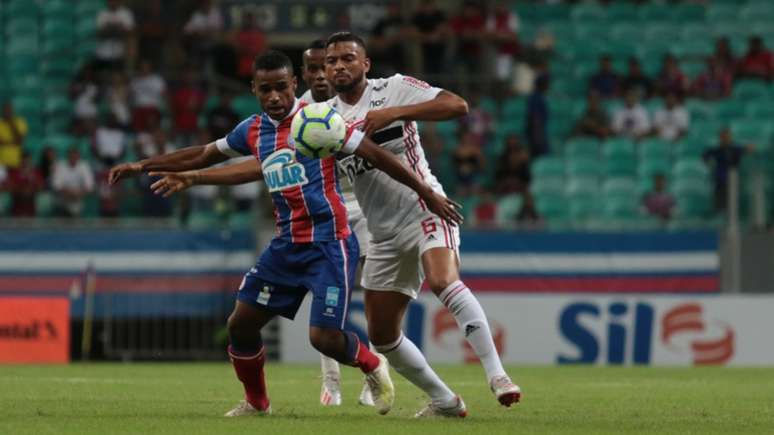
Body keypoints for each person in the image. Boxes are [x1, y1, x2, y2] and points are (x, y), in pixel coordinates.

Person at [108, 50, 462, 417]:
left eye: (281, 87)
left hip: (330, 243)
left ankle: (372, 364)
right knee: (240, 325)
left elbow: (376, 155)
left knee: (324, 339)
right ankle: (257, 402)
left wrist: (426, 191)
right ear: (254, 90)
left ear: (295, 85)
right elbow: (204, 153)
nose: (274, 96)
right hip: (287, 245)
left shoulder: (321, 121)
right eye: (265, 90)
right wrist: (144, 165)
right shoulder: (253, 130)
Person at [325, 32, 521, 415]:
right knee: (382, 336)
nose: (339, 66)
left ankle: (498, 376)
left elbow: (457, 105)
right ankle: (445, 400)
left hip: (426, 206)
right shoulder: (323, 119)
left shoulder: (395, 89)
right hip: (382, 233)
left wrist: (396, 113)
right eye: (331, 61)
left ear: (365, 64)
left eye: (348, 58)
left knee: (443, 280)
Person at [298, 39, 375, 408]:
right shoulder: (299, 112)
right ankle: (331, 382)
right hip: (328, 208)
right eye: (312, 68)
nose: (321, 74)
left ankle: (375, 373)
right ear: (306, 73)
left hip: (367, 203)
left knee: (378, 290)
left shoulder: (359, 101)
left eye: (323, 66)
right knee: (325, 296)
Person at [702, 128, 754, 211]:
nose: (726, 138)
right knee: (721, 202)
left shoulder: (735, 149)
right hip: (720, 179)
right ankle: (721, 214)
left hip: (734, 179)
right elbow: (705, 155)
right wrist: (709, 163)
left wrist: (749, 147)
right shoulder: (717, 150)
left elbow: (748, 149)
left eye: (727, 136)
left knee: (733, 201)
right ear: (720, 138)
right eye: (724, 137)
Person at [94, 0, 135, 73]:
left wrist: (113, 29)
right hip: (102, 52)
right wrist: (115, 29)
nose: (113, 2)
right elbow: (97, 33)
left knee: (117, 75)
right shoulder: (102, 13)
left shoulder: (126, 13)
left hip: (119, 53)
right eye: (110, 1)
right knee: (102, 76)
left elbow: (131, 32)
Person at [52, 147, 95, 217]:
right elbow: (56, 185)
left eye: (75, 156)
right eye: (71, 156)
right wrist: (69, 192)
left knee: (75, 209)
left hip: (79, 197)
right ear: (68, 156)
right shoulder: (60, 165)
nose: (73, 158)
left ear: (78, 157)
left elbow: (90, 186)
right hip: (63, 197)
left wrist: (78, 194)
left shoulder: (84, 166)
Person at [8, 152, 44, 217]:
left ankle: (32, 214)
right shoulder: (14, 171)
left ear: (31, 161)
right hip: (18, 195)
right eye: (24, 160)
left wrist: (31, 188)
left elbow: (40, 186)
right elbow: (11, 186)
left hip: (32, 195)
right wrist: (21, 189)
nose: (26, 163)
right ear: (20, 161)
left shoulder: (36, 171)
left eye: (28, 160)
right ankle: (17, 214)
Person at [526, 74, 551, 156]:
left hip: (539, 130)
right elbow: (536, 118)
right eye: (546, 83)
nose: (548, 85)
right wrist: (538, 136)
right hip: (537, 132)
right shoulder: (535, 98)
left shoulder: (540, 96)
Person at [0, 102, 28, 169]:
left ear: (12, 111)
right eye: (6, 110)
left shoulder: (20, 121)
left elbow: (20, 141)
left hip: (16, 160)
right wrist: (13, 142)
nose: (7, 112)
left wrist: (11, 124)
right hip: (1, 161)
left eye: (9, 110)